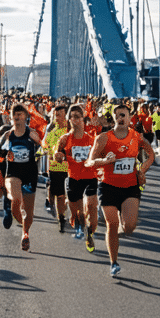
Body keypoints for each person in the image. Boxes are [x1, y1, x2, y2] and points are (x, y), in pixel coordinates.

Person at [87, 103, 154, 276]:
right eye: (117, 115)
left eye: (124, 115)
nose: (121, 118)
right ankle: (114, 262)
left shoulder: (137, 137)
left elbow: (150, 154)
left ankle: (123, 227)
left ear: (130, 118)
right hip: (108, 186)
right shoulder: (103, 138)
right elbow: (90, 162)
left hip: (130, 186)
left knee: (129, 227)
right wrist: (104, 161)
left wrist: (142, 170)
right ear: (113, 118)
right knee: (112, 224)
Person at [0, 104, 43, 251]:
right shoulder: (8, 135)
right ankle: (12, 207)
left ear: (26, 117)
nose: (17, 118)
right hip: (13, 172)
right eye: (15, 115)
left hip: (30, 173)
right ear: (11, 118)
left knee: (29, 214)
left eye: (20, 115)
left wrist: (38, 149)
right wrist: (6, 152)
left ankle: (25, 233)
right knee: (16, 200)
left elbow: (45, 147)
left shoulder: (32, 134)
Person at [56, 104, 100, 248]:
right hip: (74, 178)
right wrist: (59, 156)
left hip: (90, 177)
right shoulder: (65, 139)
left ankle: (90, 234)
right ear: (69, 120)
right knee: (78, 214)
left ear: (83, 119)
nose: (74, 119)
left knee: (92, 206)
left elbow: (98, 156)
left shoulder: (91, 139)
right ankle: (78, 221)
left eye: (77, 116)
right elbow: (57, 154)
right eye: (72, 117)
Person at [41, 105, 71, 233]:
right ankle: (61, 219)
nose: (56, 118)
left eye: (59, 115)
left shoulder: (71, 132)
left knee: (69, 198)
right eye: (55, 115)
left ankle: (66, 213)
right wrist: (45, 154)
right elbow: (45, 147)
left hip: (71, 169)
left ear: (66, 116)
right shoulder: (52, 132)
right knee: (60, 196)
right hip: (56, 169)